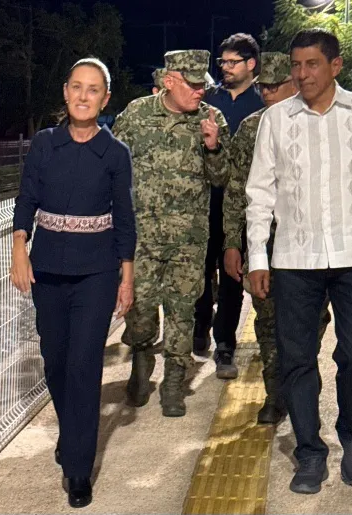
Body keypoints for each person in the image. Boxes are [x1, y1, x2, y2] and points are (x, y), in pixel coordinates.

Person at [246, 29, 352, 494]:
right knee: (296, 358)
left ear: (335, 66)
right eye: (296, 65)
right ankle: (310, 452)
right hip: (295, 258)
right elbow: (259, 194)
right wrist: (258, 257)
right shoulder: (276, 120)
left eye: (311, 64)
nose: (301, 74)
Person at [11, 57, 136, 508]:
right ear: (65, 92)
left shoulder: (116, 154)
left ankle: (78, 468)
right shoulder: (45, 144)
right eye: (77, 87)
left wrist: (126, 276)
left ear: (105, 99)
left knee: (84, 365)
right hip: (48, 269)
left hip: (96, 273)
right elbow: (26, 198)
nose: (84, 96)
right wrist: (19, 247)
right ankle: (72, 432)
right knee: (56, 360)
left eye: (93, 89)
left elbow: (125, 218)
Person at [112, 50, 230, 417]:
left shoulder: (212, 119)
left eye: (202, 84)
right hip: (143, 238)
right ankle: (141, 360)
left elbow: (221, 178)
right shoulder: (136, 114)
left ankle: (174, 381)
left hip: (188, 240)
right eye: (192, 85)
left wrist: (213, 146)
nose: (200, 91)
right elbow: (113, 165)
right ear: (169, 81)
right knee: (141, 309)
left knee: (182, 311)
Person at [223, 52, 332, 425]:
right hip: (265, 246)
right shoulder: (251, 128)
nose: (268, 93)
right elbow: (236, 191)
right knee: (269, 321)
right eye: (264, 86)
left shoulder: (320, 122)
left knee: (310, 321)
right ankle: (276, 395)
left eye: (276, 85)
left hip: (312, 245)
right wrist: (232, 243)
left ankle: (300, 380)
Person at [194, 33, 264, 380]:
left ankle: (225, 343)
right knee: (199, 269)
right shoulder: (208, 101)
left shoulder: (263, 104)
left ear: (251, 64)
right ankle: (200, 324)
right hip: (206, 200)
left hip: (243, 205)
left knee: (232, 274)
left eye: (232, 62)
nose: (224, 68)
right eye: (222, 62)